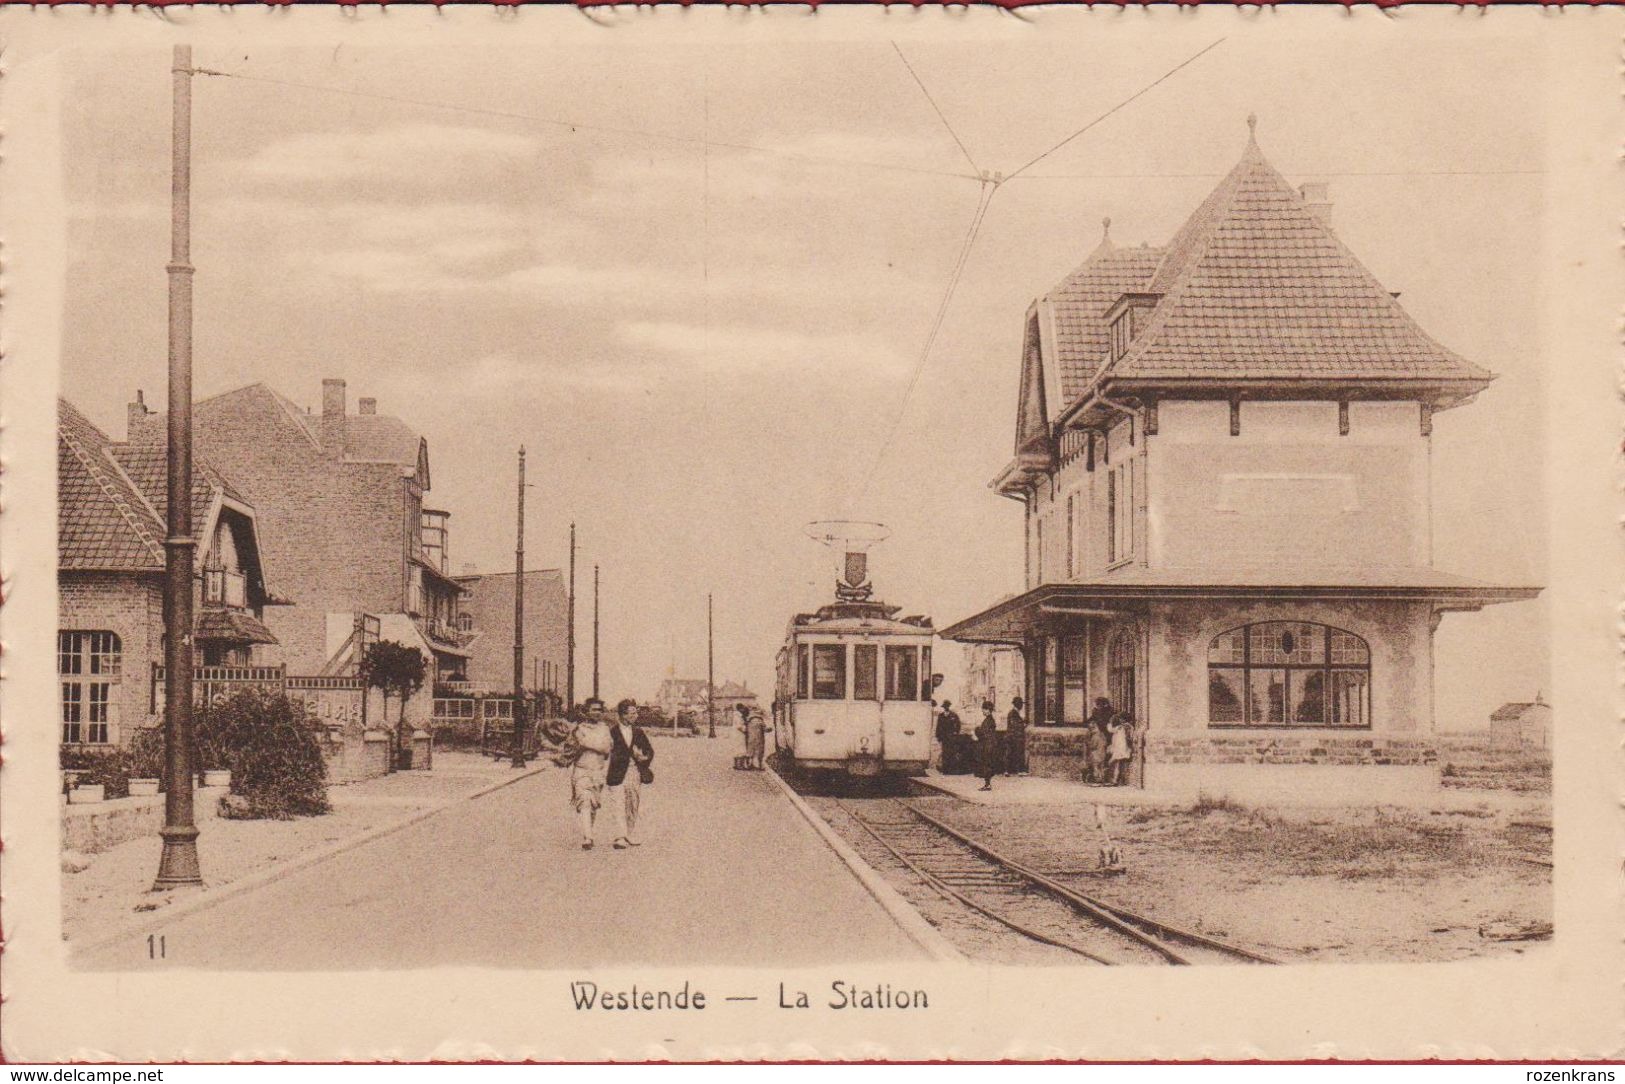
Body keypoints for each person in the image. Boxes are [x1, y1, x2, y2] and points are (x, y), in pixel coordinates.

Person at [558, 698, 614, 850]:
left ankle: (587, 832)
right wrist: (596, 745)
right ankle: (588, 837)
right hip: (582, 769)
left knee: (594, 804)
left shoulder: (605, 729)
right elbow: (574, 746)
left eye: (599, 710)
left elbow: (607, 749)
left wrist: (587, 743)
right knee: (584, 801)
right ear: (586, 711)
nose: (596, 713)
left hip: (598, 771)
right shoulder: (579, 728)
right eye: (593, 709)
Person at [607, 698, 655, 849]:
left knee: (632, 803)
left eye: (636, 712)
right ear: (622, 715)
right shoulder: (612, 732)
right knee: (618, 804)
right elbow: (606, 751)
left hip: (633, 771)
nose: (635, 716)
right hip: (616, 772)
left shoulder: (638, 732)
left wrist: (644, 757)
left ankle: (629, 833)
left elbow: (649, 751)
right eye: (632, 713)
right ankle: (619, 837)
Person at [1085, 697, 1114, 785]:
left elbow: (1093, 721)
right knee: (1101, 760)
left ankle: (1099, 777)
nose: (1097, 706)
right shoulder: (1105, 712)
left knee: (1098, 760)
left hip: (1103, 737)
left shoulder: (1102, 713)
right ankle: (1100, 777)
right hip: (1103, 738)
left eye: (1098, 704)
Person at [975, 700, 999, 791]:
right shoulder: (989, 720)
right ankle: (987, 784)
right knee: (987, 764)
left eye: (984, 709)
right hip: (989, 745)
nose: (982, 711)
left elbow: (984, 734)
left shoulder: (989, 721)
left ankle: (987, 784)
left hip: (988, 746)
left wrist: (977, 730)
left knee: (987, 764)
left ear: (988, 710)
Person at [935, 700, 962, 772]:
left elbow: (958, 725)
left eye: (947, 706)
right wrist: (938, 736)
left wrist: (956, 733)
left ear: (949, 706)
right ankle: (945, 769)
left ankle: (951, 769)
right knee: (944, 752)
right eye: (944, 706)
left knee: (951, 752)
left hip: (951, 737)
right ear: (943, 707)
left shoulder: (954, 715)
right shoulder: (941, 716)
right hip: (944, 737)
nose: (946, 708)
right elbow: (938, 727)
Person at [1107, 710, 1133, 786]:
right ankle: (1120, 780)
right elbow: (1130, 737)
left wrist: (1110, 722)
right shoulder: (1130, 727)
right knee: (1121, 765)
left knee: (1113, 763)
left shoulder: (1120, 727)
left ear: (1123, 719)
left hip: (1120, 748)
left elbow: (1110, 730)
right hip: (1126, 748)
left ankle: (1114, 780)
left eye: (1120, 718)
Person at [1005, 696, 1028, 776]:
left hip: (1011, 736)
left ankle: (1008, 771)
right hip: (1014, 737)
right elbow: (1016, 725)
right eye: (1020, 704)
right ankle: (1019, 771)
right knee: (1017, 753)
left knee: (1010, 754)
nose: (1022, 706)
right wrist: (1023, 724)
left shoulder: (1014, 713)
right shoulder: (1013, 713)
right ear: (1017, 704)